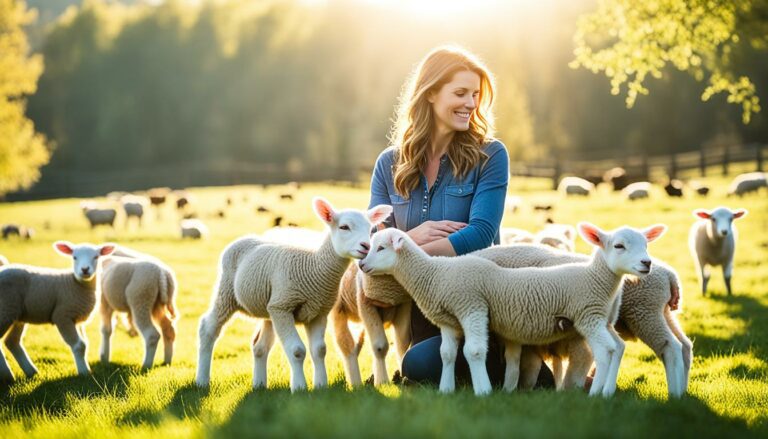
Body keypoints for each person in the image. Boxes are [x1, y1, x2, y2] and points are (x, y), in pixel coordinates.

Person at [367, 46, 554, 388]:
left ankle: (526, 366)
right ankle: (523, 369)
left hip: (480, 305)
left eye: (476, 95)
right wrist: (408, 244)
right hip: (418, 307)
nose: (471, 103)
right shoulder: (388, 164)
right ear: (431, 94)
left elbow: (481, 234)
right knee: (415, 365)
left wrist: (408, 246)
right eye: (460, 93)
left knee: (419, 365)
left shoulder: (491, 155)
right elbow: (375, 243)